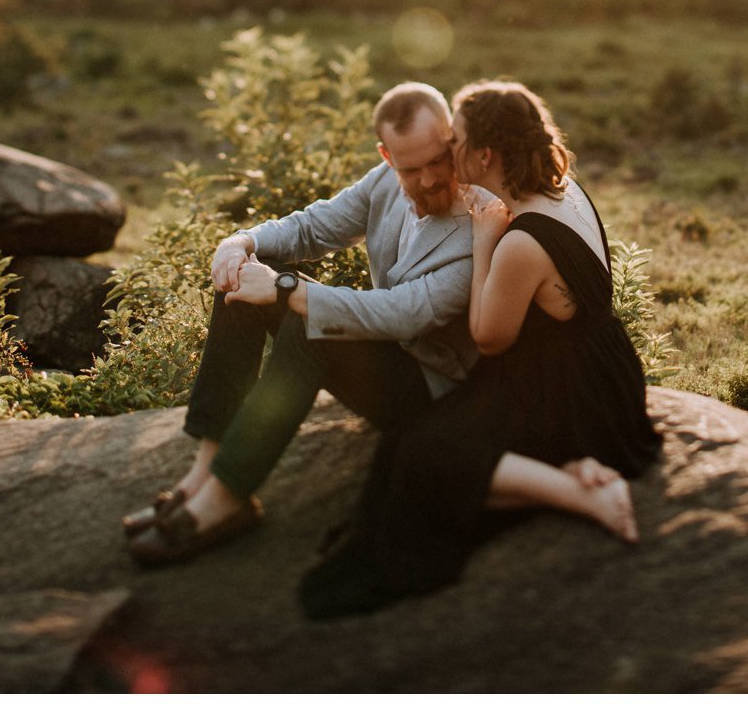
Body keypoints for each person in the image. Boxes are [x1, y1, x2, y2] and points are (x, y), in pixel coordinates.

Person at [298, 79, 660, 617]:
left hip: (562, 393)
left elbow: (489, 338)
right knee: (408, 446)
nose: (448, 149)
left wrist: (484, 241)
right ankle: (573, 471)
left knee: (423, 458)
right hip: (608, 372)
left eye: (456, 139)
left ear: (484, 154)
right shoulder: (568, 191)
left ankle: (577, 490)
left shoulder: (516, 241)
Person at [126, 81, 479, 565]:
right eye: (409, 168)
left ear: (452, 141)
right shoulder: (384, 182)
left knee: (312, 325)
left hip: (431, 392)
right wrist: (240, 243)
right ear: (386, 154)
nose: (428, 179)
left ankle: (229, 497)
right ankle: (204, 474)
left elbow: (407, 312)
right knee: (242, 283)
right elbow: (313, 228)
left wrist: (291, 290)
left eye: (438, 160)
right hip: (388, 358)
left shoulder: (482, 217)